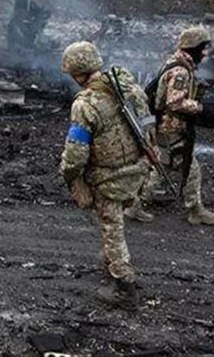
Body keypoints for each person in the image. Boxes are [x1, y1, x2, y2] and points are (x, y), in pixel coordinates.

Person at [59, 41, 151, 308]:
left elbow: (76, 152)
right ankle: (112, 268)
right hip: (136, 168)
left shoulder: (85, 104)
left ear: (78, 73)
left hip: (108, 176)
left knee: (112, 229)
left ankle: (124, 286)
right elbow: (148, 122)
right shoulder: (126, 86)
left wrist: (69, 175)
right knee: (115, 223)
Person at [138, 27, 214, 225]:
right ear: (193, 47)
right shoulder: (181, 71)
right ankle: (195, 210)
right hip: (171, 127)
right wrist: (201, 108)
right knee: (190, 168)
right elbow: (174, 102)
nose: (205, 53)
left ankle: (135, 205)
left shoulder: (175, 62)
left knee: (162, 166)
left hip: (163, 126)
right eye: (202, 48)